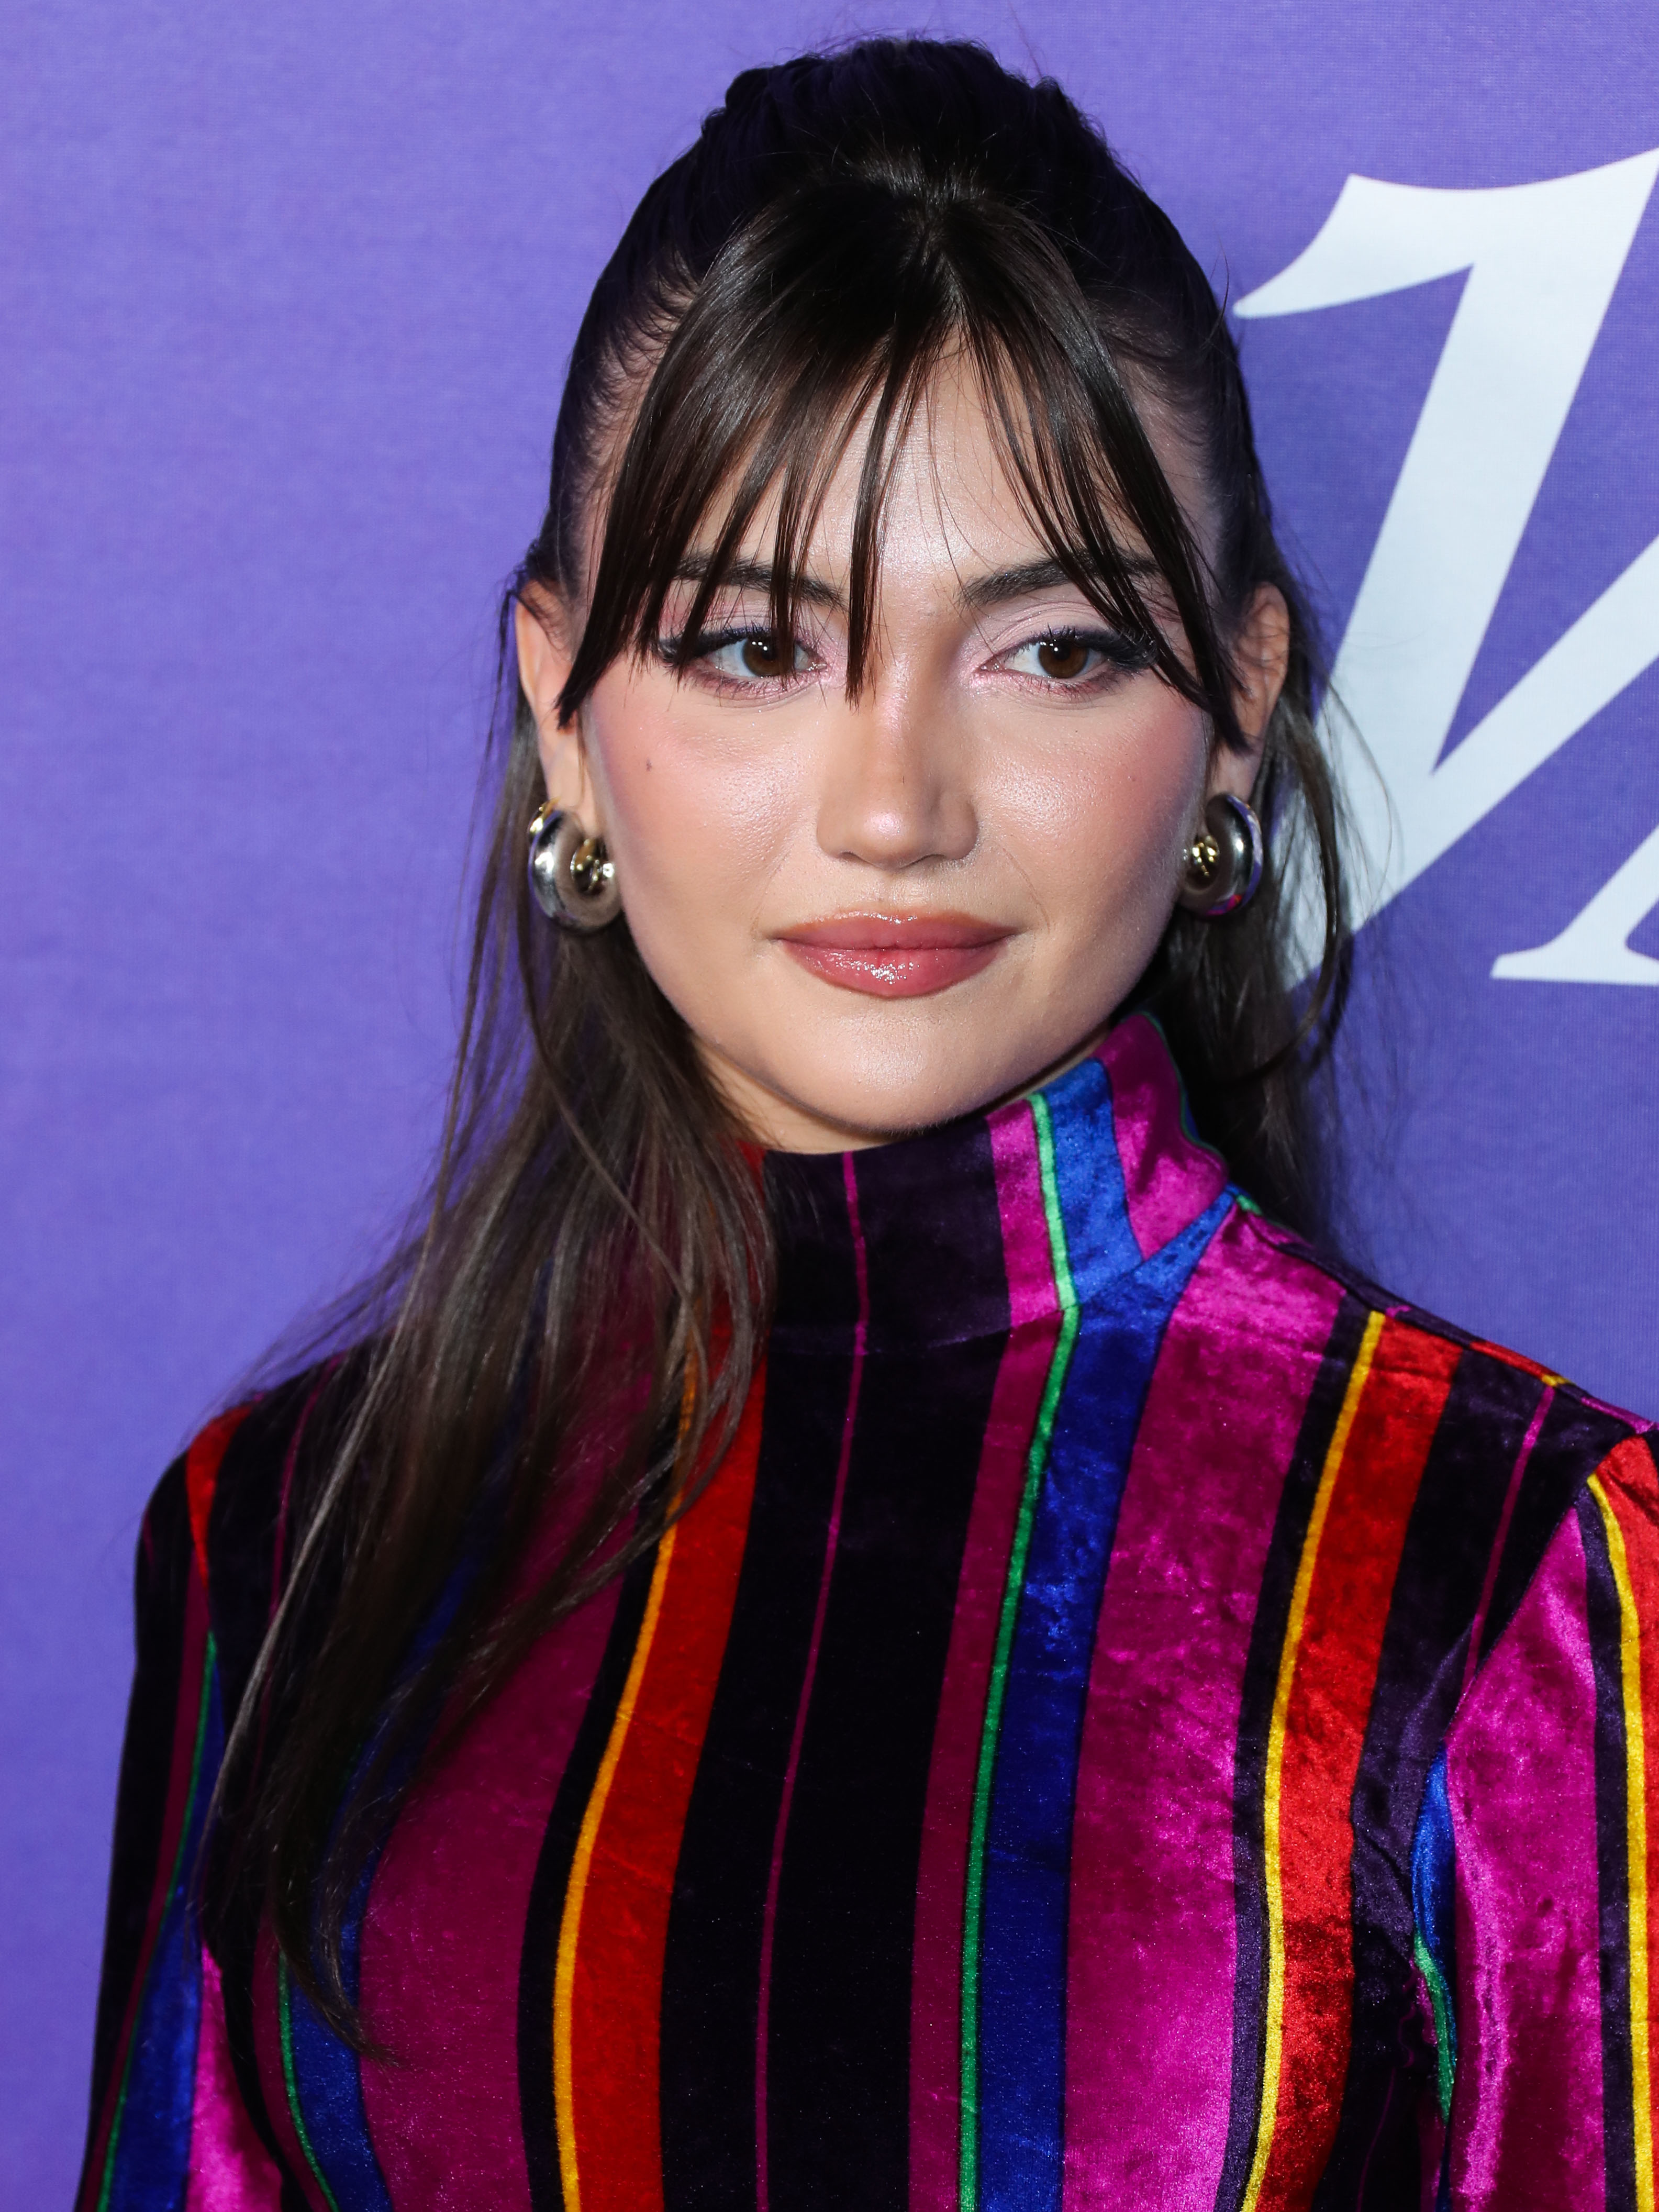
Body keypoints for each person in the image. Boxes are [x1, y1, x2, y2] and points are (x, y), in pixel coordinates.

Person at [77, 38, 1654, 2212]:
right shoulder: (287, 1543)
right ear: (560, 702)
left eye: (1052, 652)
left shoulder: (1517, 1567)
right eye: (752, 645)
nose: (894, 806)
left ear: (1237, 706)